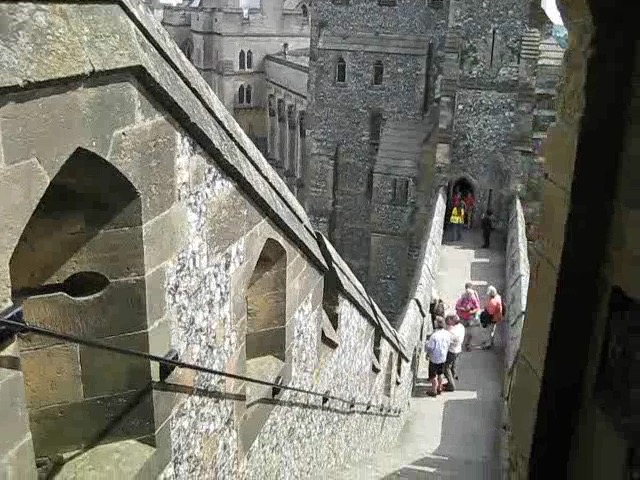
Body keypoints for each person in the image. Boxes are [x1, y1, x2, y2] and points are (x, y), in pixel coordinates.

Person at [425, 316, 452, 397]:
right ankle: (439, 388)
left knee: (433, 376)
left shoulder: (434, 336)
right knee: (440, 374)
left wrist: (427, 351)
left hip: (434, 358)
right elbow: (448, 343)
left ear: (436, 324)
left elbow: (430, 347)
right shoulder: (447, 333)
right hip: (443, 357)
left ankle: (434, 391)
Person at [455, 284, 481, 351]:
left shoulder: (473, 298)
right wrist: (463, 309)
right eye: (468, 295)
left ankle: (467, 345)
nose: (470, 297)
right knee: (461, 330)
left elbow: (477, 307)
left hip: (470, 318)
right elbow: (457, 306)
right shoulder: (462, 298)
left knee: (470, 332)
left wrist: (471, 312)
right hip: (462, 318)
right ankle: (460, 343)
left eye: (470, 295)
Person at [444, 313, 465, 391]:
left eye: (448, 320)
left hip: (451, 351)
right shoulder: (461, 327)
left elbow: (446, 342)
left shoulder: (451, 332)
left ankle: (451, 385)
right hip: (458, 350)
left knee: (446, 368)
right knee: (453, 366)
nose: (447, 322)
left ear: (452, 321)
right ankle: (451, 380)